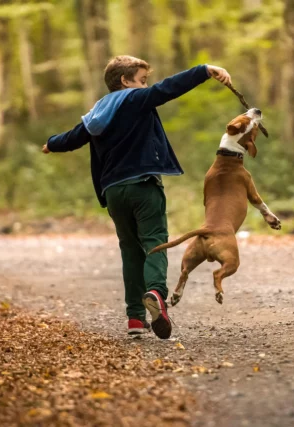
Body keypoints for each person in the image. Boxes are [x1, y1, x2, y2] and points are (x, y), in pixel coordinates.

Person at [42, 55, 232, 339]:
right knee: (154, 242)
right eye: (142, 80)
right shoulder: (134, 99)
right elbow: (168, 88)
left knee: (130, 251)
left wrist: (50, 144)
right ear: (125, 81)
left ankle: (134, 317)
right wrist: (205, 70)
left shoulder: (96, 113)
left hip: (113, 191)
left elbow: (73, 137)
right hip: (143, 185)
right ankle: (156, 292)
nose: (146, 86)